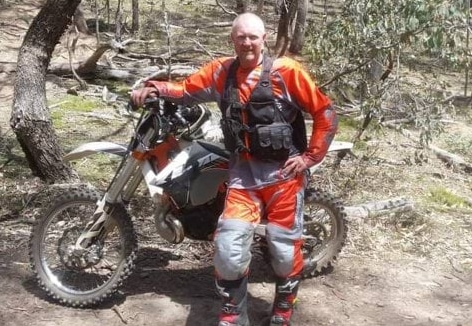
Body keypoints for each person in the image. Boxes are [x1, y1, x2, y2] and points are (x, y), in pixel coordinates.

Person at [131, 12, 338, 326]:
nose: (247, 43)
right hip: (243, 175)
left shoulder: (288, 73)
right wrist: (154, 88)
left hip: (283, 176)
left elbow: (325, 113)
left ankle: (282, 309)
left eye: (253, 37)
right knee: (228, 248)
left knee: (283, 253)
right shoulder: (221, 72)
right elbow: (185, 90)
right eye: (241, 37)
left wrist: (310, 158)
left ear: (264, 39)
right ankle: (233, 315)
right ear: (232, 40)